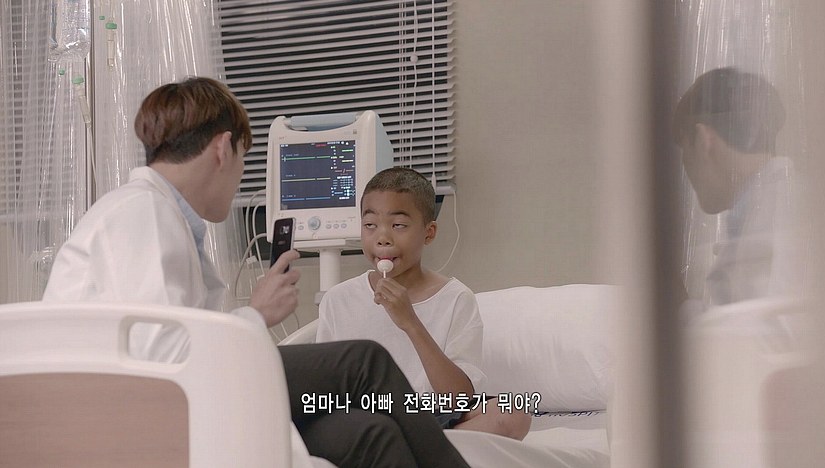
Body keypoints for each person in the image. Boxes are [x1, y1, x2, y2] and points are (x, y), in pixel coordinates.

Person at [42, 77, 470, 468]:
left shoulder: (156, 215)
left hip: (170, 398)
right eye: (243, 159)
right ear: (223, 149)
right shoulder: (143, 213)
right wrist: (255, 315)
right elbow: (166, 358)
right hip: (143, 408)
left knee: (369, 432)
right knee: (364, 362)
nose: (239, 177)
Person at [316, 167, 531, 440]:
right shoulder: (339, 299)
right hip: (367, 416)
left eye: (398, 225)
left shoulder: (456, 298)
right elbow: (326, 391)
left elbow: (457, 399)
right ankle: (418, 448)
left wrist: (411, 323)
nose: (382, 237)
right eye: (370, 225)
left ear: (429, 233)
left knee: (513, 412)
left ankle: (404, 448)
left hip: (431, 413)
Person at [673, 67, 807, 308]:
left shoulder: (780, 215)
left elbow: (763, 324)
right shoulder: (762, 206)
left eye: (684, 149)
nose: (685, 165)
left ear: (703, 140)